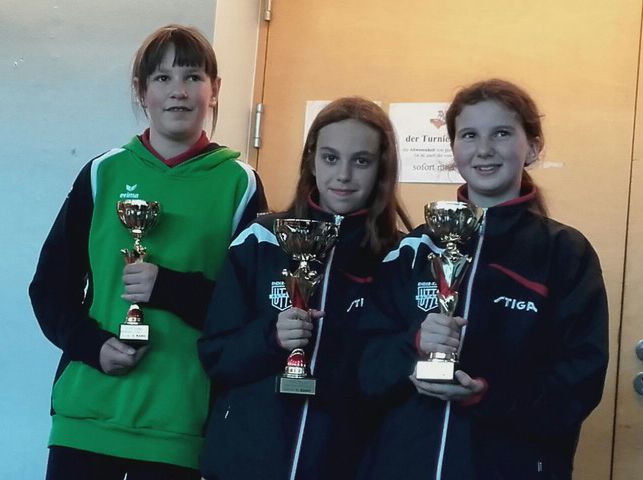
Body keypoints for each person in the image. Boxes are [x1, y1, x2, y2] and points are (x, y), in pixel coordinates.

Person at [30, 24, 266, 480]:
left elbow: (246, 310)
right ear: (142, 91)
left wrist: (169, 288)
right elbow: (48, 289)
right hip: (86, 418)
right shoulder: (103, 173)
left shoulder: (240, 184)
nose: (179, 91)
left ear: (215, 89)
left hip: (178, 426)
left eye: (193, 77)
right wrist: (93, 345)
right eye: (162, 78)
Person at [357, 79, 609, 480]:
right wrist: (414, 344)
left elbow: (579, 384)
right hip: (402, 463)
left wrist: (487, 396)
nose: (484, 149)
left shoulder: (564, 253)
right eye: (469, 135)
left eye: (502, 133)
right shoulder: (413, 249)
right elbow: (364, 368)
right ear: (454, 147)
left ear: (533, 147)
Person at [198, 97, 413, 480]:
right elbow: (216, 354)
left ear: (382, 168)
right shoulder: (260, 239)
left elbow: (389, 375)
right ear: (312, 161)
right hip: (248, 460)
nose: (343, 175)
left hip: (343, 461)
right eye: (331, 158)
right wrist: (272, 337)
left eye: (361, 161)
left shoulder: (399, 257)